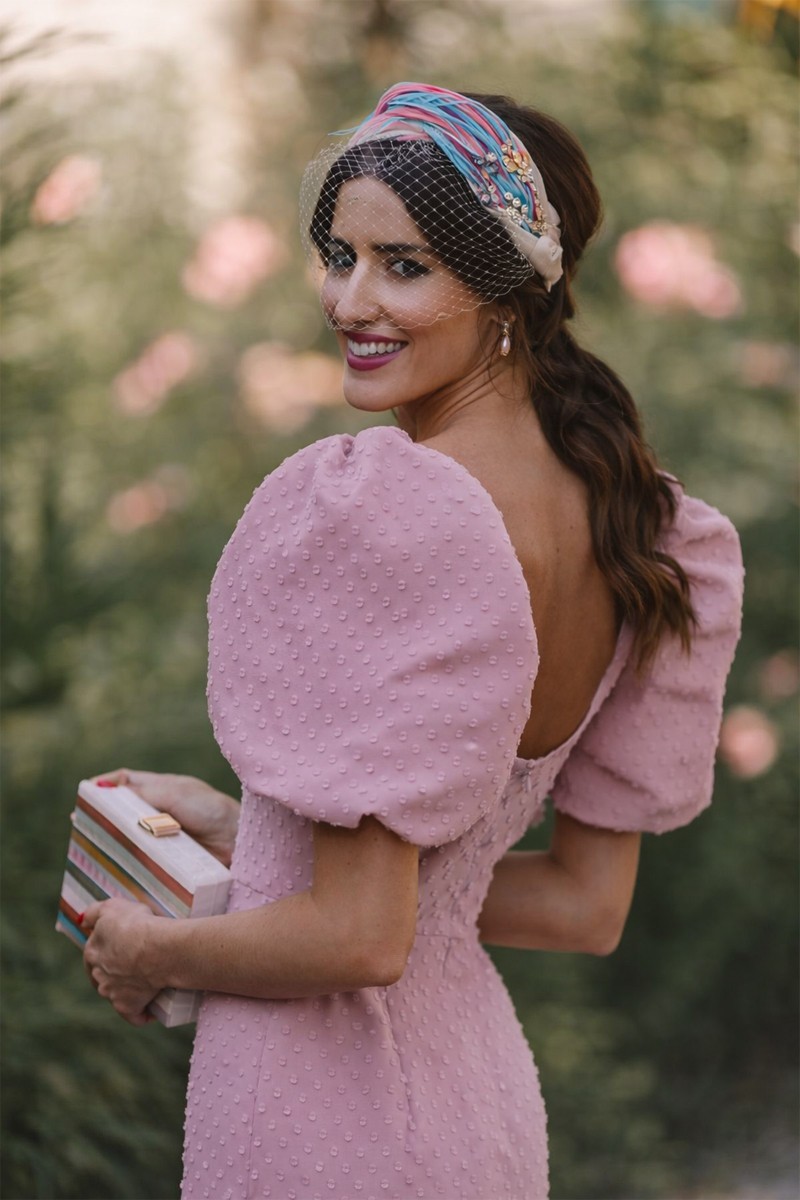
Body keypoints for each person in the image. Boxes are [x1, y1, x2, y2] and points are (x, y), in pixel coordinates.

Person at [81, 84, 744, 1200]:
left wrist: (149, 949)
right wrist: (257, 842)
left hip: (321, 1115)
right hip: (475, 1112)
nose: (350, 301)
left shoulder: (394, 510)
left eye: (403, 266)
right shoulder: (629, 519)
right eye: (340, 257)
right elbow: (579, 906)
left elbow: (357, 938)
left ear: (506, 286)